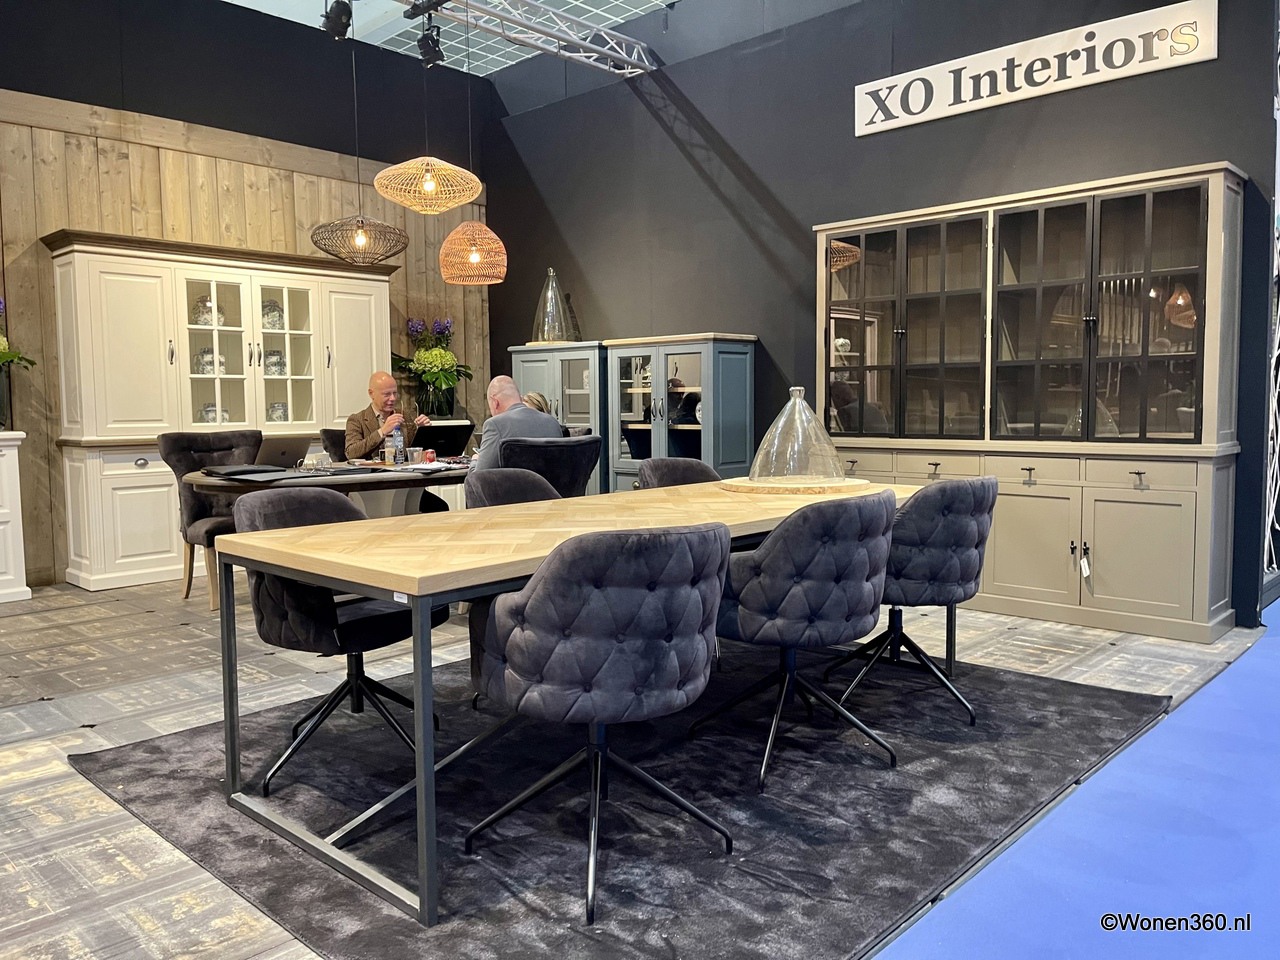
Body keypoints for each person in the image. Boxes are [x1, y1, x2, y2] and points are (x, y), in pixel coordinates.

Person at [471, 375, 564, 471]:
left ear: (495, 402)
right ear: (520, 398)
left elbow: (480, 476)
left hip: (513, 481)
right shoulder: (553, 423)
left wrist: (474, 461)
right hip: (550, 481)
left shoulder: (494, 425)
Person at [345, 371, 431, 462]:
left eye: (395, 393)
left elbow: (414, 451)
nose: (393, 398)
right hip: (373, 470)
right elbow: (351, 453)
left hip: (403, 469)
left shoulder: (406, 416)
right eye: (386, 394)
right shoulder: (356, 420)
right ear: (371, 393)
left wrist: (423, 432)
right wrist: (382, 431)